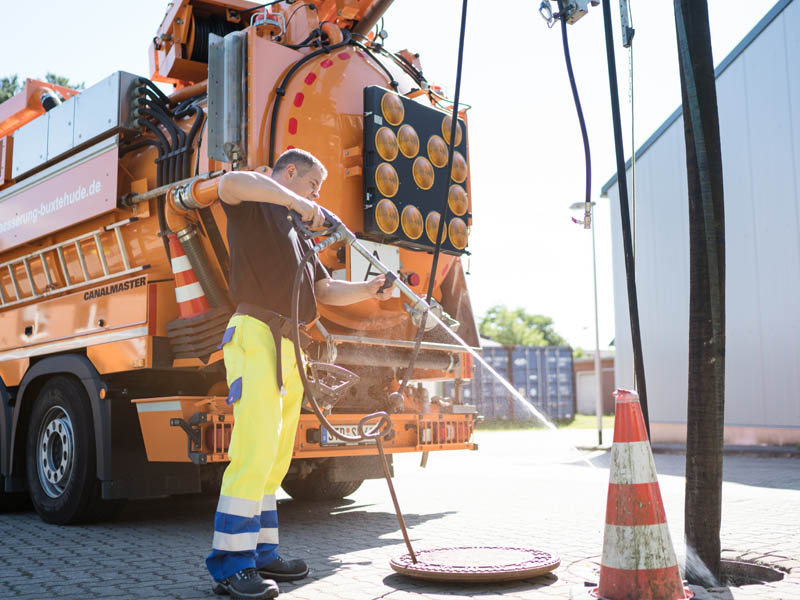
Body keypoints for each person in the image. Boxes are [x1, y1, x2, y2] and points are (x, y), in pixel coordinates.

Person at [206, 149, 393, 599]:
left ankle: (263, 553)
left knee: (274, 458)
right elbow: (229, 184)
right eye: (313, 185)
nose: (317, 196)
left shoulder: (296, 235)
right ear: (289, 173)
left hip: (290, 347)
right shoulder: (254, 204)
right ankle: (231, 565)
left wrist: (368, 289)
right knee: (253, 451)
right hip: (255, 337)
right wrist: (302, 205)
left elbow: (324, 289)